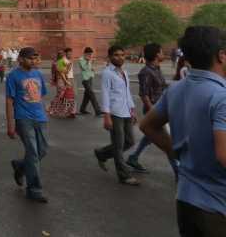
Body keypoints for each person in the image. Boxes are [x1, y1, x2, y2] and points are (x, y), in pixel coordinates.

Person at [140, 26, 226, 235]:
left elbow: (147, 125)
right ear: (221, 56)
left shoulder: (177, 88)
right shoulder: (221, 97)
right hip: (217, 207)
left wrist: (176, 151)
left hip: (186, 198)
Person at [6, 47, 49, 203]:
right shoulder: (13, 76)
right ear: (21, 59)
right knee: (33, 153)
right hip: (23, 119)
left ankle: (20, 166)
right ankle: (34, 190)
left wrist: (44, 112)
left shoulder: (38, 74)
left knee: (42, 151)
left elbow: (40, 95)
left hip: (40, 118)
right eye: (31, 58)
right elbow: (9, 101)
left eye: (36, 58)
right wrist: (10, 125)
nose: (34, 61)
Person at [93, 45, 139, 186]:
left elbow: (127, 92)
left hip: (125, 111)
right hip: (114, 112)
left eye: (122, 55)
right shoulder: (108, 73)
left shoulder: (124, 72)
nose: (120, 57)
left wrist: (132, 109)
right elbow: (105, 94)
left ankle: (102, 154)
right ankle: (124, 175)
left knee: (130, 141)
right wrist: (106, 115)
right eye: (116, 55)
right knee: (118, 145)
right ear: (110, 57)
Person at [126, 43, 168, 173]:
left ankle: (133, 157)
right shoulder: (146, 72)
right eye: (161, 52)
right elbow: (144, 94)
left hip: (161, 107)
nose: (163, 54)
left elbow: (161, 87)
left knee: (150, 136)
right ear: (156, 55)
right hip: (154, 109)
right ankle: (179, 170)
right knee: (167, 140)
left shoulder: (157, 69)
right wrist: (153, 111)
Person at [49, 50, 76, 118]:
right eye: (63, 55)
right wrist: (69, 65)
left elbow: (54, 73)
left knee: (61, 96)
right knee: (60, 96)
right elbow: (63, 73)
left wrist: (53, 80)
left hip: (60, 81)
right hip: (61, 81)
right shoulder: (60, 63)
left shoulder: (56, 63)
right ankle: (52, 109)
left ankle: (57, 109)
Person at [78, 47, 102, 116]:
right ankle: (98, 111)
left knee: (87, 96)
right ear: (85, 53)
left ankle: (82, 109)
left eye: (91, 54)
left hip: (90, 78)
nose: (90, 55)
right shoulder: (81, 59)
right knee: (92, 94)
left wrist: (92, 68)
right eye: (89, 54)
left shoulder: (89, 59)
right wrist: (87, 61)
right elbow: (84, 68)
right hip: (85, 79)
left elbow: (89, 68)